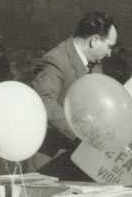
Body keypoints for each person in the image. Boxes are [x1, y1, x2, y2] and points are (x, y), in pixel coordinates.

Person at [29, 11, 118, 180]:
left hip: (78, 158)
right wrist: (82, 132)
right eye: (109, 46)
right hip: (51, 161)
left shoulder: (93, 64)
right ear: (94, 41)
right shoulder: (56, 60)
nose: (110, 53)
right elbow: (43, 102)